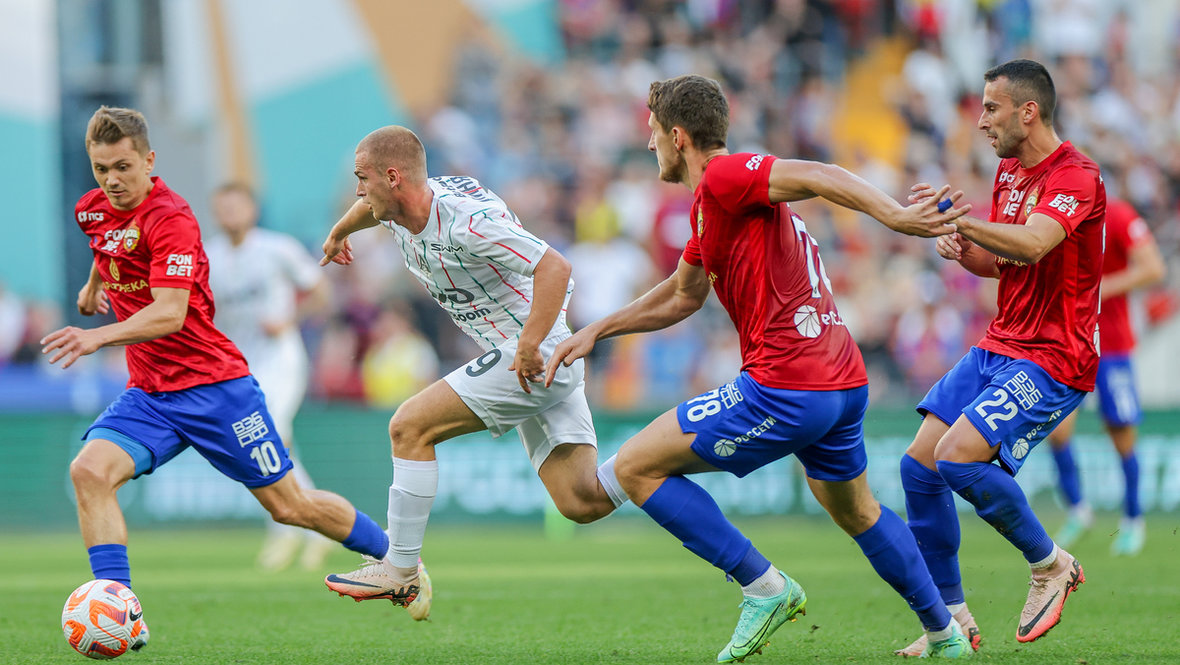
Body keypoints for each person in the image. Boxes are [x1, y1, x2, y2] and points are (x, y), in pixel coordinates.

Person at [545, 75, 974, 662]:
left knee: (636, 468)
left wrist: (896, 217)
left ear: (678, 136)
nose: (649, 144)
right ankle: (945, 633)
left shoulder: (724, 175)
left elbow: (819, 173)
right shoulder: (711, 207)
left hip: (788, 383)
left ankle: (763, 586)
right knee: (857, 510)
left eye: (653, 132)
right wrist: (598, 330)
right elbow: (683, 295)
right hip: (841, 380)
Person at [41, 107, 393, 647]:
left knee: (290, 506)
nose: (111, 180)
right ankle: (119, 608)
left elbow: (170, 313)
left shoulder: (172, 219)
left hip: (215, 389)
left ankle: (396, 557)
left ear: (149, 161)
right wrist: (94, 286)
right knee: (89, 472)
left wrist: (97, 336)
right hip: (151, 393)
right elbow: (106, 242)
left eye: (123, 167)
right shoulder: (91, 208)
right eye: (100, 168)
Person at [318, 126, 628, 619]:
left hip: (534, 350)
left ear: (393, 177)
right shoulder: (397, 206)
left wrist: (528, 344)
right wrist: (339, 232)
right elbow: (366, 210)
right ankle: (658, 460)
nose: (357, 191)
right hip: (535, 354)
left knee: (408, 426)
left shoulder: (467, 222)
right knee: (582, 500)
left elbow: (556, 268)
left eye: (362, 178)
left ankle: (400, 570)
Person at [895, 59, 1104, 656]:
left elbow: (1035, 243)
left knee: (957, 458)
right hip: (1002, 341)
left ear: (1027, 111)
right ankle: (951, 618)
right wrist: (962, 247)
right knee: (918, 467)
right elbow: (1004, 261)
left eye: (991, 108)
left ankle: (1050, 564)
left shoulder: (1077, 175)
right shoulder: (1009, 171)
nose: (982, 120)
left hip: (1055, 354)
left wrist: (964, 220)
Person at [205, 182, 335, 571]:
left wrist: (288, 319)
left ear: (252, 209)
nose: (230, 213)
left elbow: (321, 292)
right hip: (238, 366)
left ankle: (292, 530)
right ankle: (309, 529)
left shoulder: (277, 248)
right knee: (264, 446)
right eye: (222, 207)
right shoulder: (208, 257)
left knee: (271, 434)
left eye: (236, 205)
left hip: (281, 358)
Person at [1047, 198, 1164, 555]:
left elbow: (1153, 268)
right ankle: (1078, 510)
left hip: (1111, 345)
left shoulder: (1119, 214)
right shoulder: (1054, 215)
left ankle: (1133, 519)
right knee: (1055, 430)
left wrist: (1099, 288)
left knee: (1122, 434)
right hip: (1068, 344)